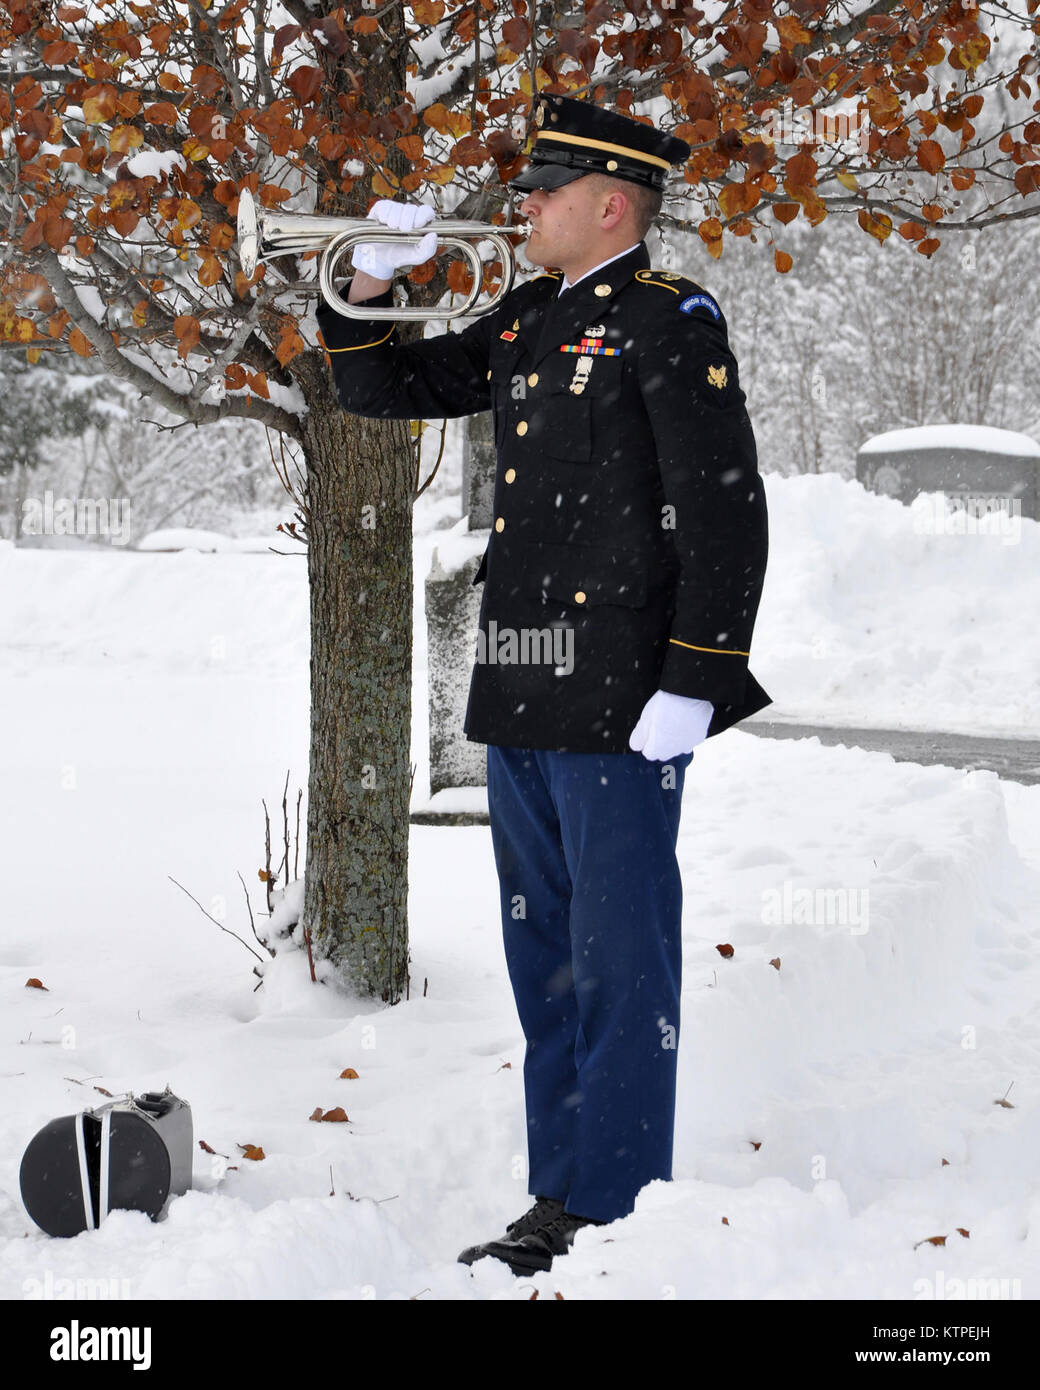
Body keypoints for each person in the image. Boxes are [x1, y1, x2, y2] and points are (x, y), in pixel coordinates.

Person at [316, 93, 771, 1277]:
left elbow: (724, 513)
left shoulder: (672, 321)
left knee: (622, 963)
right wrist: (363, 288)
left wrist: (699, 678)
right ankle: (556, 1193)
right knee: (548, 960)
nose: (518, 208)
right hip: (521, 687)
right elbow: (384, 391)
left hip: (623, 696)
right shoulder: (528, 315)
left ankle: (611, 1208)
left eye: (541, 193)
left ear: (609, 203)